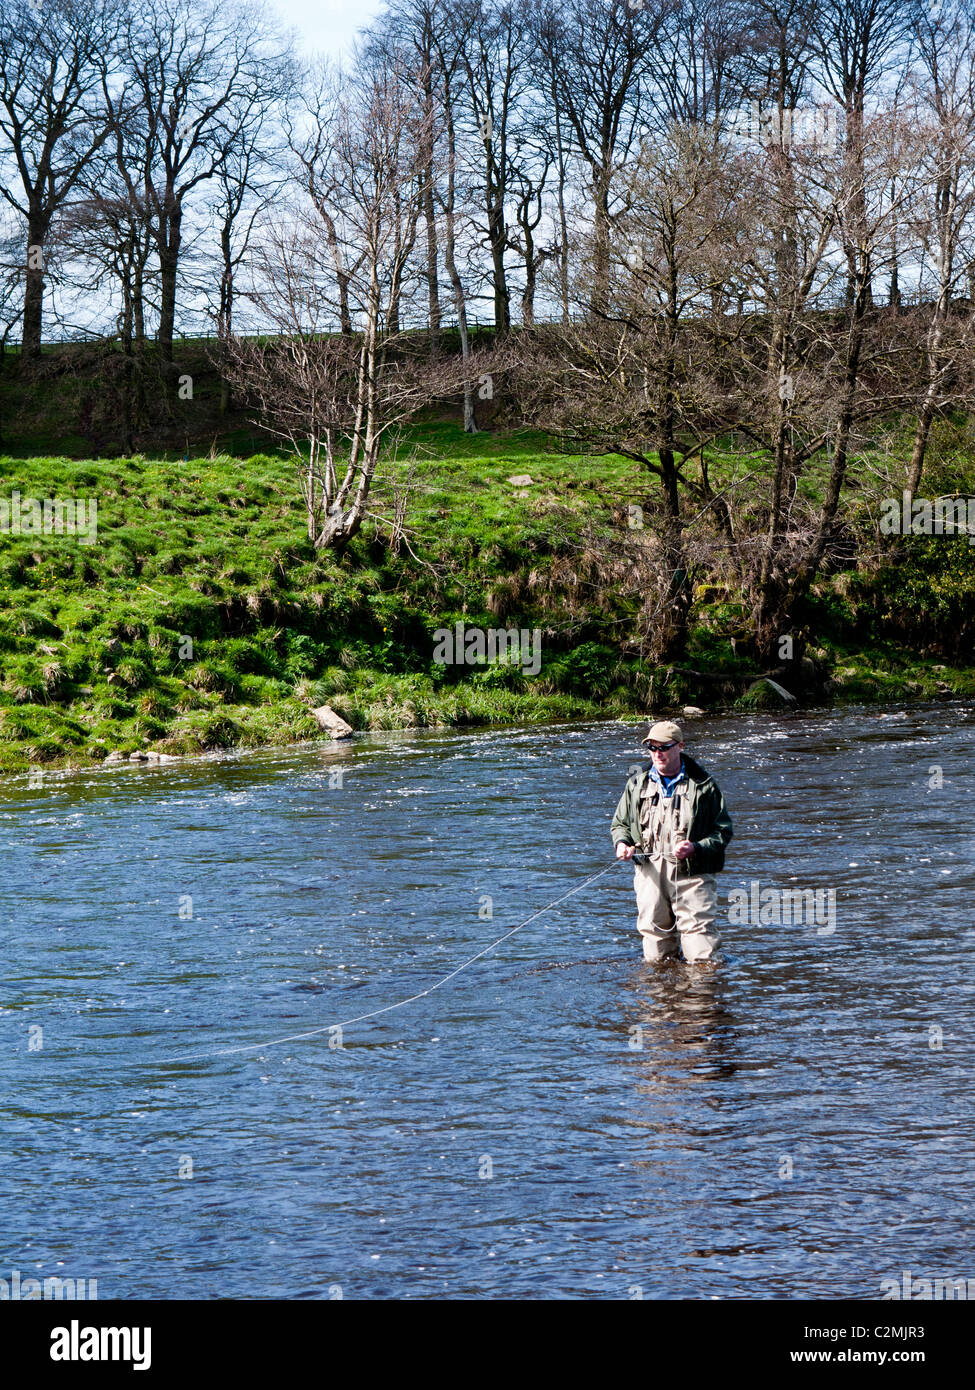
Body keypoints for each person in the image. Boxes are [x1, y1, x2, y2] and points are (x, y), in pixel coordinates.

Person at [610, 720, 733, 964]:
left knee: (702, 955)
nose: (657, 754)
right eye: (652, 748)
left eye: (664, 747)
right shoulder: (636, 785)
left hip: (692, 873)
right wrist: (622, 843)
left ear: (680, 747)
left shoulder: (704, 786)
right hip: (649, 873)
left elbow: (723, 831)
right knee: (656, 956)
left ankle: (701, 1000)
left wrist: (695, 847)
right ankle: (663, 998)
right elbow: (620, 824)